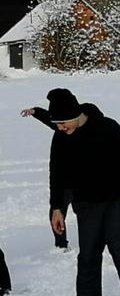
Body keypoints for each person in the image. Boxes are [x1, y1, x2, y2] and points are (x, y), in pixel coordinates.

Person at [45, 88, 120, 296]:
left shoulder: (108, 127)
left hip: (116, 200)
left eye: (63, 123)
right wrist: (57, 208)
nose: (61, 128)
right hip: (86, 203)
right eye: (57, 124)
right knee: (88, 255)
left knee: (119, 248)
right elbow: (57, 175)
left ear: (75, 114)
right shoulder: (60, 138)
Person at [21, 100, 71, 249]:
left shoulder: (85, 128)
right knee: (56, 212)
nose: (62, 128)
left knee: (90, 213)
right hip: (64, 181)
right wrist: (35, 111)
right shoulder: (59, 127)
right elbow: (49, 119)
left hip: (83, 181)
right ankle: (61, 244)